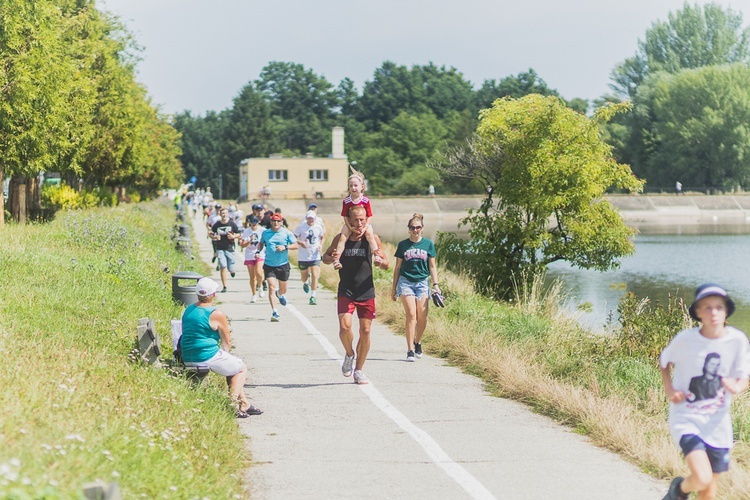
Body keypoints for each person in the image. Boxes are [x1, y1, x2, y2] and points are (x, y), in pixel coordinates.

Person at [660, 284, 750, 500]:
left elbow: (743, 376)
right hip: (687, 417)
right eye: (707, 308)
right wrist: (670, 389)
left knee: (709, 491)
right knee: (702, 476)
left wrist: (737, 386)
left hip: (717, 423)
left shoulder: (737, 341)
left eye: (718, 307)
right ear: (698, 312)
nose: (713, 313)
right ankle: (679, 490)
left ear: (726, 311)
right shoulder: (685, 340)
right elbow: (664, 362)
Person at [322, 205, 389, 385]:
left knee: (366, 331)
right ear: (349, 221)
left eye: (362, 220)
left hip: (366, 290)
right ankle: (350, 354)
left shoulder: (371, 239)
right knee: (345, 327)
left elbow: (386, 264)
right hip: (347, 289)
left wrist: (380, 262)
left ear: (367, 220)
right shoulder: (340, 238)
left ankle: (359, 370)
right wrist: (332, 259)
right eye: (356, 220)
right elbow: (325, 257)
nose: (359, 224)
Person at [180, 277, 262, 417]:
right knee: (241, 368)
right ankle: (231, 404)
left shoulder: (189, 309)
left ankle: (245, 403)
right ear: (213, 295)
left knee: (231, 366)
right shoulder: (216, 314)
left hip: (187, 355)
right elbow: (226, 342)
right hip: (205, 355)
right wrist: (226, 354)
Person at [390, 213, 440, 362]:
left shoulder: (428, 244)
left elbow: (432, 266)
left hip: (422, 282)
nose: (415, 230)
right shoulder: (403, 245)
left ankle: (417, 341)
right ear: (408, 229)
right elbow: (397, 267)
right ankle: (410, 350)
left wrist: (436, 285)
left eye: (418, 227)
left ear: (422, 228)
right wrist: (394, 288)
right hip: (406, 282)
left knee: (422, 318)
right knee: (411, 314)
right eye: (412, 227)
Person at [332, 167, 379, 267]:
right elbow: (344, 215)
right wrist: (350, 227)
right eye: (351, 186)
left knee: (370, 235)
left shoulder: (365, 200)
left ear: (362, 187)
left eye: (355, 185)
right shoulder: (347, 201)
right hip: (350, 224)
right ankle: (337, 259)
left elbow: (369, 215)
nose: (353, 188)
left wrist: (365, 227)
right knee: (343, 237)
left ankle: (376, 255)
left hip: (364, 224)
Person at [256, 213, 297, 322]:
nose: (276, 223)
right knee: (271, 287)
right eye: (274, 221)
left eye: (278, 221)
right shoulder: (266, 233)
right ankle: (275, 312)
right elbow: (261, 243)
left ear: (282, 222)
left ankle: (280, 294)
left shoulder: (287, 233)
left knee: (283, 289)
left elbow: (296, 245)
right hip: (269, 265)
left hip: (283, 265)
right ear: (271, 222)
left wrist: (285, 246)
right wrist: (257, 251)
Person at [294, 210, 324, 305]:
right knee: (304, 276)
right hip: (303, 256)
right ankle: (306, 282)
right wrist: (300, 242)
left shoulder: (318, 227)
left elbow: (322, 237)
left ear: (315, 218)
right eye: (309, 218)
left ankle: (313, 296)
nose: (311, 220)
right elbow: (293, 238)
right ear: (306, 218)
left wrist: (321, 245)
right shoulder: (301, 227)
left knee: (315, 275)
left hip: (315, 255)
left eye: (312, 218)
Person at [210, 208, 240, 293]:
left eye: (225, 213)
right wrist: (215, 237)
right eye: (222, 213)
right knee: (222, 266)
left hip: (230, 248)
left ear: (228, 214)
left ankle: (232, 271)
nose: (224, 215)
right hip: (220, 248)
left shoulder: (232, 224)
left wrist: (234, 236)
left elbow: (239, 233)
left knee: (230, 267)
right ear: (220, 214)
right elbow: (211, 233)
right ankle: (224, 286)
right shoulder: (217, 225)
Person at [240, 215, 265, 303]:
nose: (254, 224)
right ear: (249, 222)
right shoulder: (246, 231)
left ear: (258, 222)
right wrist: (249, 241)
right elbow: (242, 245)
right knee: (252, 277)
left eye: (255, 222)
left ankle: (260, 286)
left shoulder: (262, 230)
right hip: (249, 254)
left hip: (260, 253)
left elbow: (266, 241)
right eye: (252, 222)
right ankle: (254, 294)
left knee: (259, 272)